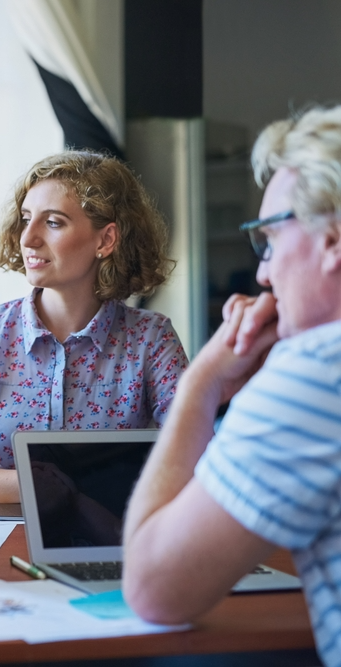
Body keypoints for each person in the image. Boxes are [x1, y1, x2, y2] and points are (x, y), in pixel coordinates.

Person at [122, 106, 341, 667]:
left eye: (270, 240)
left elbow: (154, 588)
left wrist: (201, 383)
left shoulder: (316, 370)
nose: (263, 272)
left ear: (333, 239)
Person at [0, 151, 188, 503]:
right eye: (26, 219)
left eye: (53, 222)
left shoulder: (152, 339)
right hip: (3, 542)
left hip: (111, 541)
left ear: (105, 241)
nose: (28, 238)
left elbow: (192, 459)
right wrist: (38, 486)